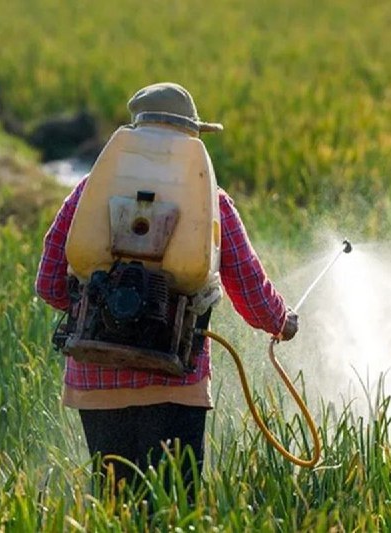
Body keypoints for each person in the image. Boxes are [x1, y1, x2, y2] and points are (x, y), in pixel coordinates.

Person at [35, 82, 298, 499]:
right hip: (176, 380)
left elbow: (49, 282)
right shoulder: (212, 201)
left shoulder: (90, 191)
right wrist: (282, 322)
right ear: (191, 138)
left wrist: (101, 305)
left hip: (95, 382)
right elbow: (249, 287)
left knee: (116, 509)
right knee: (176, 508)